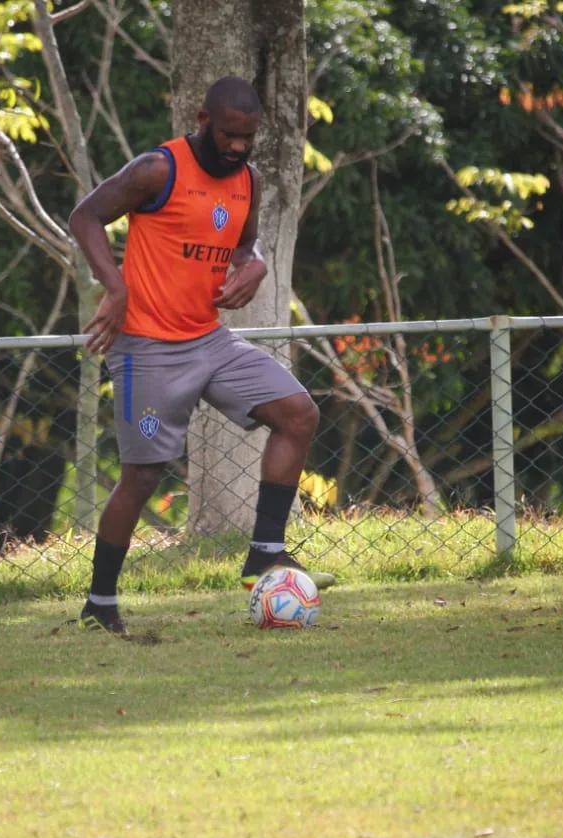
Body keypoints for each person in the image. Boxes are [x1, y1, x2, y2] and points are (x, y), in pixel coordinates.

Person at [68, 75, 334, 636]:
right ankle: (99, 602)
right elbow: (86, 216)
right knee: (142, 474)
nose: (238, 147)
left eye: (249, 137)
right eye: (230, 135)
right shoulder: (157, 170)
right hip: (147, 345)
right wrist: (114, 288)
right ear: (202, 118)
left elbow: (244, 244)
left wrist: (256, 264)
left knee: (298, 413)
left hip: (209, 339)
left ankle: (264, 554)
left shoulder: (249, 181)